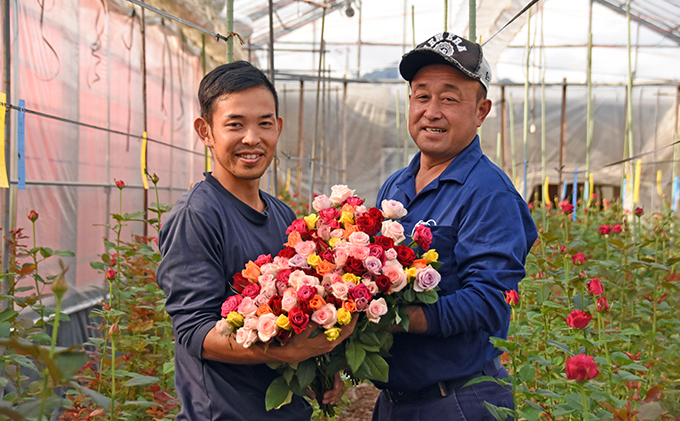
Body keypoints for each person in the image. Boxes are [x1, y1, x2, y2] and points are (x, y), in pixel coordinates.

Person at [156, 61, 355, 420]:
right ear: (205, 131)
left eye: (264, 123)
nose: (252, 138)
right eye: (235, 124)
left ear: (278, 128)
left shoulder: (281, 215)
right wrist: (283, 352)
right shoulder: (197, 216)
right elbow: (194, 331)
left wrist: (318, 368)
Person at [372, 33, 538, 420]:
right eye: (421, 96)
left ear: (481, 111)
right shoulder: (397, 185)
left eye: (449, 99)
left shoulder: (488, 193)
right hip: (396, 402)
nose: (431, 111)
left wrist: (391, 319)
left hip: (457, 401)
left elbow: (489, 302)